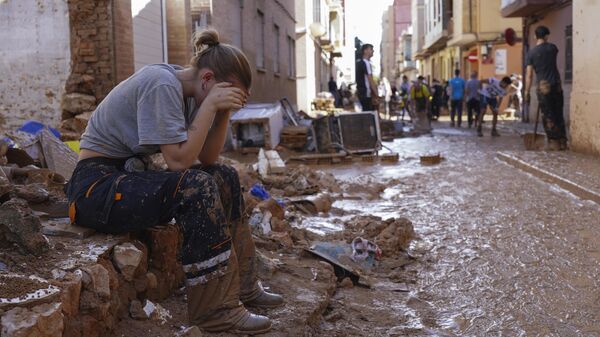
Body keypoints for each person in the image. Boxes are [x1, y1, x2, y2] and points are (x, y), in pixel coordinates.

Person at [65, 29, 283, 334]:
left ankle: (244, 287)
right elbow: (178, 162)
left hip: (127, 176)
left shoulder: (193, 93)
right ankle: (214, 311)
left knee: (224, 176)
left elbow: (207, 159)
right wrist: (210, 106)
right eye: (226, 92)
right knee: (195, 186)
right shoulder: (161, 84)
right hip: (95, 187)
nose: (226, 100)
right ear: (207, 79)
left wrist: (221, 113)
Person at [525, 25, 568, 150]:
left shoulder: (531, 53)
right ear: (546, 36)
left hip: (543, 86)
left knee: (548, 115)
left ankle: (553, 143)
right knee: (558, 113)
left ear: (535, 36)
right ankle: (563, 141)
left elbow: (529, 75)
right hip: (556, 85)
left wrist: (527, 92)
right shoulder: (553, 48)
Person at [355, 43, 379, 111]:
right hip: (366, 93)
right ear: (365, 51)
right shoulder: (366, 63)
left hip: (361, 92)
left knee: (365, 112)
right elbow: (370, 79)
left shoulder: (360, 63)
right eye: (371, 49)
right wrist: (376, 94)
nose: (373, 51)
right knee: (369, 113)